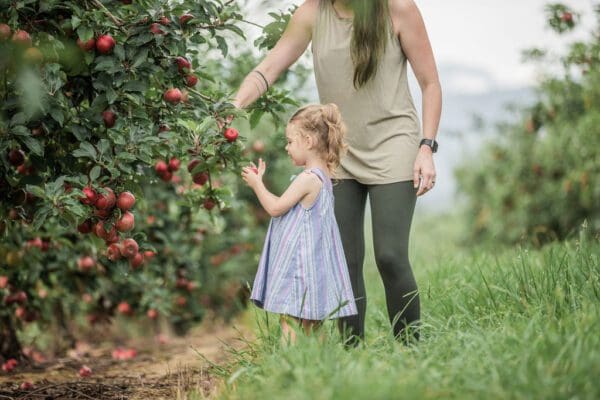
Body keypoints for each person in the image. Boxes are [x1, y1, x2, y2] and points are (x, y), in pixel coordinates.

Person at [233, 0, 442, 343]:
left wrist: (426, 147)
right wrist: (234, 105)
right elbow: (269, 68)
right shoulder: (312, 13)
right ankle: (350, 355)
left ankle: (412, 350)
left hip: (394, 144)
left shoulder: (398, 9)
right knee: (344, 259)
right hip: (338, 152)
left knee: (390, 255)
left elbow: (430, 83)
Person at [241, 103, 358, 343]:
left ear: (308, 141)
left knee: (291, 321)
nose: (287, 147)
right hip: (313, 268)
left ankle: (289, 367)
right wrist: (261, 181)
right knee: (312, 325)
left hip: (299, 267)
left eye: (290, 141)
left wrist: (256, 185)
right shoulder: (323, 177)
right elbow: (285, 207)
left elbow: (275, 209)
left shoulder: (307, 179)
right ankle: (322, 367)